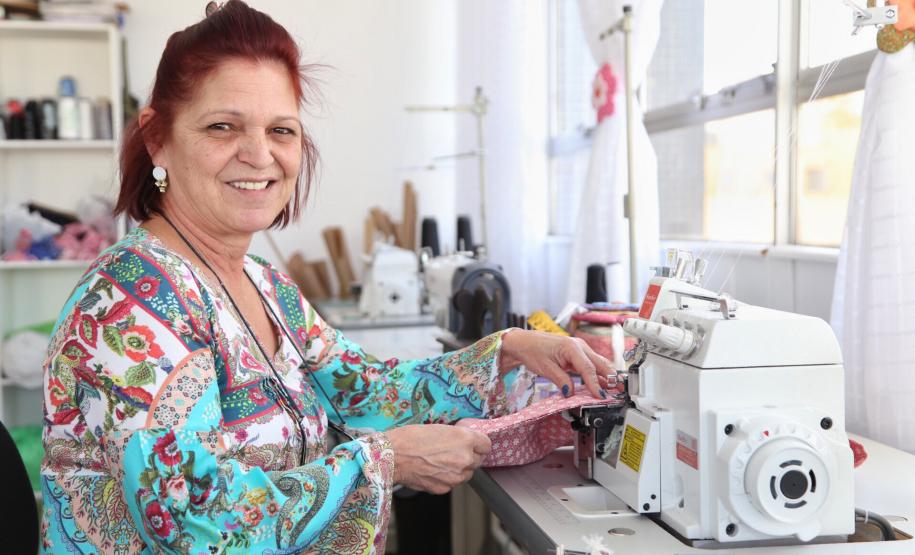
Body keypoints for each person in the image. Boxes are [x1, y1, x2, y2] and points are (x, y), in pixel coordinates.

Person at [40, 2, 615, 553]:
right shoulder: (127, 307)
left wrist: (509, 350)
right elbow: (197, 520)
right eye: (223, 126)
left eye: (281, 131)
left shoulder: (265, 286)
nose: (259, 154)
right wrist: (388, 461)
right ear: (156, 137)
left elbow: (362, 391)